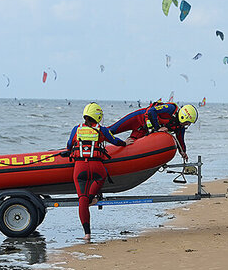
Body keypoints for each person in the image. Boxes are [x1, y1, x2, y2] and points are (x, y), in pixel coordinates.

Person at [67, 103, 130, 241]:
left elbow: (68, 146)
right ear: (98, 116)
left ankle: (87, 234)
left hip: (80, 168)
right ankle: (92, 198)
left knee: (82, 200)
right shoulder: (101, 130)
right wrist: (126, 143)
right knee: (100, 178)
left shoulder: (76, 129)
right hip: (97, 167)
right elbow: (115, 141)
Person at [108, 100, 198, 161]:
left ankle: (110, 156)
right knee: (111, 130)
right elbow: (152, 111)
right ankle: (96, 138)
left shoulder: (180, 127)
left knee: (130, 147)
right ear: (183, 117)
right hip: (137, 118)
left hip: (142, 130)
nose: (188, 125)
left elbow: (180, 141)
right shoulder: (171, 108)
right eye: (188, 122)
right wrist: (157, 128)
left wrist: (183, 152)